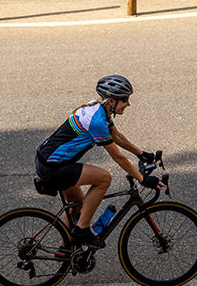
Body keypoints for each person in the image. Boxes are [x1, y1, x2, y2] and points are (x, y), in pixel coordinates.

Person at [34, 75, 159, 248]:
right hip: (53, 167)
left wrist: (142, 154)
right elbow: (118, 157)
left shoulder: (98, 108)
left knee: (76, 207)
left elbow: (117, 137)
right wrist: (142, 178)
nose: (128, 104)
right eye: (125, 100)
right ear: (112, 101)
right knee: (104, 178)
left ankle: (64, 252)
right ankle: (81, 231)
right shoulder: (97, 121)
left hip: (47, 161)